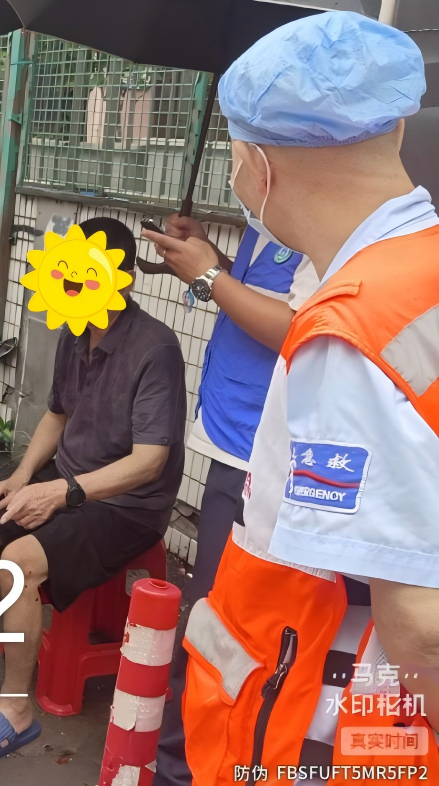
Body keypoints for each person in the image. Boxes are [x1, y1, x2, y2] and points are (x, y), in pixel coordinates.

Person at [156, 12, 439, 783]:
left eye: (234, 159)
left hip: (321, 728)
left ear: (258, 166)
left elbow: (418, 625)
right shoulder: (419, 268)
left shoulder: (347, 331)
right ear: (395, 125)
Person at [0, 217, 187, 759]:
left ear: (123, 278)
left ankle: (18, 708)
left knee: (17, 563)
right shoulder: (75, 329)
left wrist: (61, 494)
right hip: (67, 485)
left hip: (126, 505)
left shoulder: (154, 348)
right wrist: (20, 477)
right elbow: (57, 415)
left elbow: (149, 462)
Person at [139, 221, 319, 783]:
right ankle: (187, 760)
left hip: (263, 458)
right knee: (212, 621)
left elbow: (302, 327)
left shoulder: (323, 225)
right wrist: (209, 257)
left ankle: (184, 768)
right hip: (233, 436)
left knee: (221, 629)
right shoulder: (269, 219)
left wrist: (210, 277)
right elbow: (261, 292)